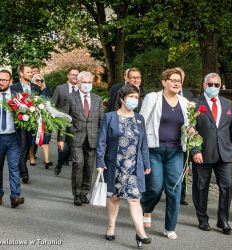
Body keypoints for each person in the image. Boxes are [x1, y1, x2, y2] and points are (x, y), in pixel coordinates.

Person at [96, 84, 152, 247]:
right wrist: (100, 162)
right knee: (114, 197)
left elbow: (144, 144)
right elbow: (101, 142)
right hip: (115, 164)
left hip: (134, 166)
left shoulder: (139, 119)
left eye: (137, 97)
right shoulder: (110, 117)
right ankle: (110, 226)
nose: (135, 100)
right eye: (131, 97)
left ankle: (141, 234)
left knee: (135, 199)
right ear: (122, 99)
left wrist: (146, 163)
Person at [140, 68, 189, 240]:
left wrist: (191, 133)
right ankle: (146, 208)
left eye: (179, 80)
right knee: (154, 188)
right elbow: (141, 123)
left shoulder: (185, 103)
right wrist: (140, 150)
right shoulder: (153, 98)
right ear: (164, 82)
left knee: (174, 190)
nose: (177, 83)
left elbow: (189, 128)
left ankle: (170, 227)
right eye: (173, 80)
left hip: (176, 152)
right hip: (154, 151)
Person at [191, 73, 232, 234]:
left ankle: (223, 220)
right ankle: (203, 219)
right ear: (204, 85)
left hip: (225, 153)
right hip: (203, 153)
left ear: (220, 86)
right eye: (210, 84)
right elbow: (189, 130)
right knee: (201, 187)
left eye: (217, 85)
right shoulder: (195, 103)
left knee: (227, 186)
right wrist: (194, 150)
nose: (213, 87)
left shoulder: (228, 104)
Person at [58, 71, 104, 206]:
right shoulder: (70, 98)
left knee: (89, 167)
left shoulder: (97, 99)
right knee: (78, 164)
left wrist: (104, 140)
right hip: (76, 137)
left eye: (89, 82)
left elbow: (102, 120)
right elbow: (64, 120)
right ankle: (77, 194)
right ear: (78, 83)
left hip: (92, 138)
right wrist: (61, 138)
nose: (87, 85)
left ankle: (85, 192)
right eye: (84, 82)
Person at [10, 64, 41, 184]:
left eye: (31, 72)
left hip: (31, 123)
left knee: (28, 146)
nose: (31, 74)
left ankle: (21, 167)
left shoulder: (36, 88)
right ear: (21, 74)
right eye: (28, 72)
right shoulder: (14, 88)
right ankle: (24, 172)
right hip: (19, 123)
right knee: (23, 146)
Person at [0, 69, 25, 208]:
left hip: (13, 138)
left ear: (10, 81)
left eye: (4, 80)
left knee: (14, 167)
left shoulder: (17, 97)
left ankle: (15, 196)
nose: (1, 82)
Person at [51, 68, 79, 175]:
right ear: (68, 76)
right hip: (63, 122)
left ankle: (76, 172)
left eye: (77, 75)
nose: (75, 76)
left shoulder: (81, 89)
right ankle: (60, 163)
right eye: (73, 74)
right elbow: (53, 103)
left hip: (77, 122)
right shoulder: (60, 88)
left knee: (76, 146)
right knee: (63, 145)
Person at [175, 67, 194, 206]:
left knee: (185, 166)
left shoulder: (188, 94)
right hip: (171, 136)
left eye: (181, 76)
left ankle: (181, 195)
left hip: (186, 136)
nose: (179, 79)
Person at [29, 73, 53, 169]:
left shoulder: (46, 90)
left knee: (46, 139)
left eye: (41, 80)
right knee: (32, 140)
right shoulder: (30, 90)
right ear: (33, 81)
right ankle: (31, 157)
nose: (39, 82)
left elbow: (50, 102)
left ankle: (47, 160)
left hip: (44, 118)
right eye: (37, 80)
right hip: (33, 118)